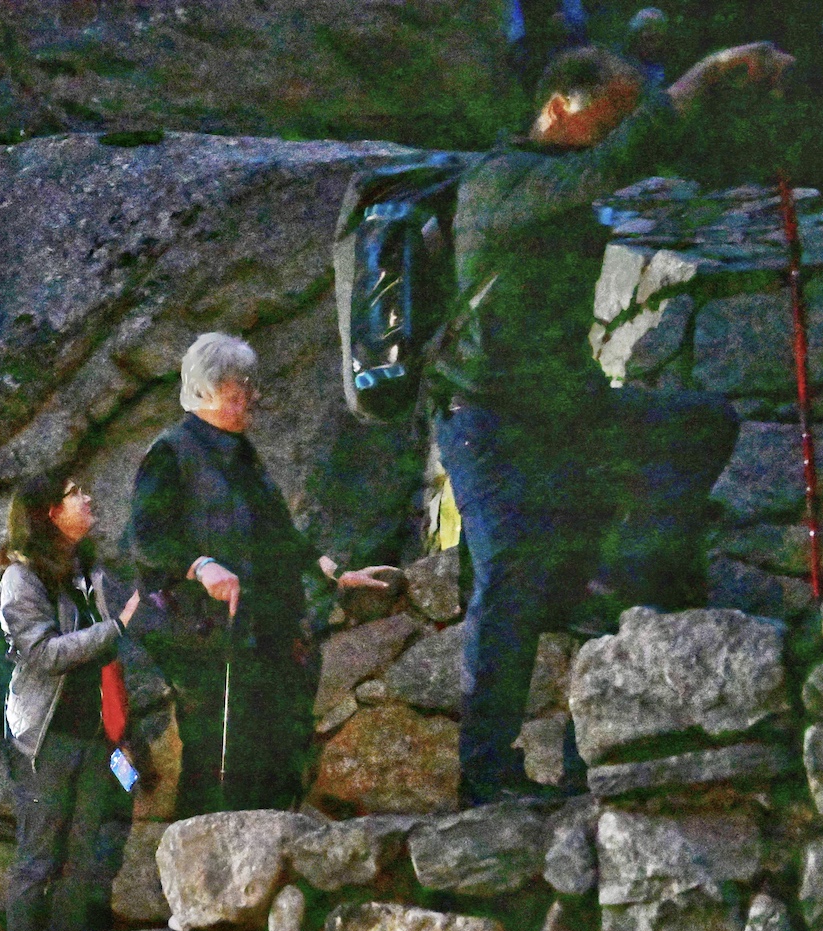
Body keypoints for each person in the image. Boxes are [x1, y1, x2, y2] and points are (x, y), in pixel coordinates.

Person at [431, 43, 786, 804]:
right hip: (485, 419)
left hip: (569, 411)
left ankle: (618, 580)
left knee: (700, 424)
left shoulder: (557, 185)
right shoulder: (502, 181)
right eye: (613, 112)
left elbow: (624, 160)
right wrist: (711, 72)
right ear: (560, 105)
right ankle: (485, 774)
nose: (624, 130)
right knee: (511, 571)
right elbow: (611, 165)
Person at [130, 333, 398, 818]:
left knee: (271, 753)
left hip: (263, 632)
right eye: (239, 389)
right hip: (210, 638)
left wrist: (336, 573)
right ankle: (206, 878)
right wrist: (201, 565)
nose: (252, 396)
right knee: (219, 758)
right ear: (207, 393)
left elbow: (278, 535)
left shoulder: (242, 454)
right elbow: (147, 538)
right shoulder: (171, 453)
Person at [0, 470, 142, 931]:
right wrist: (118, 626)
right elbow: (45, 654)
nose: (88, 497)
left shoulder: (85, 572)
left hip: (98, 737)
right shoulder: (20, 579)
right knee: (38, 859)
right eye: (75, 492)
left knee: (82, 856)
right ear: (50, 514)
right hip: (45, 741)